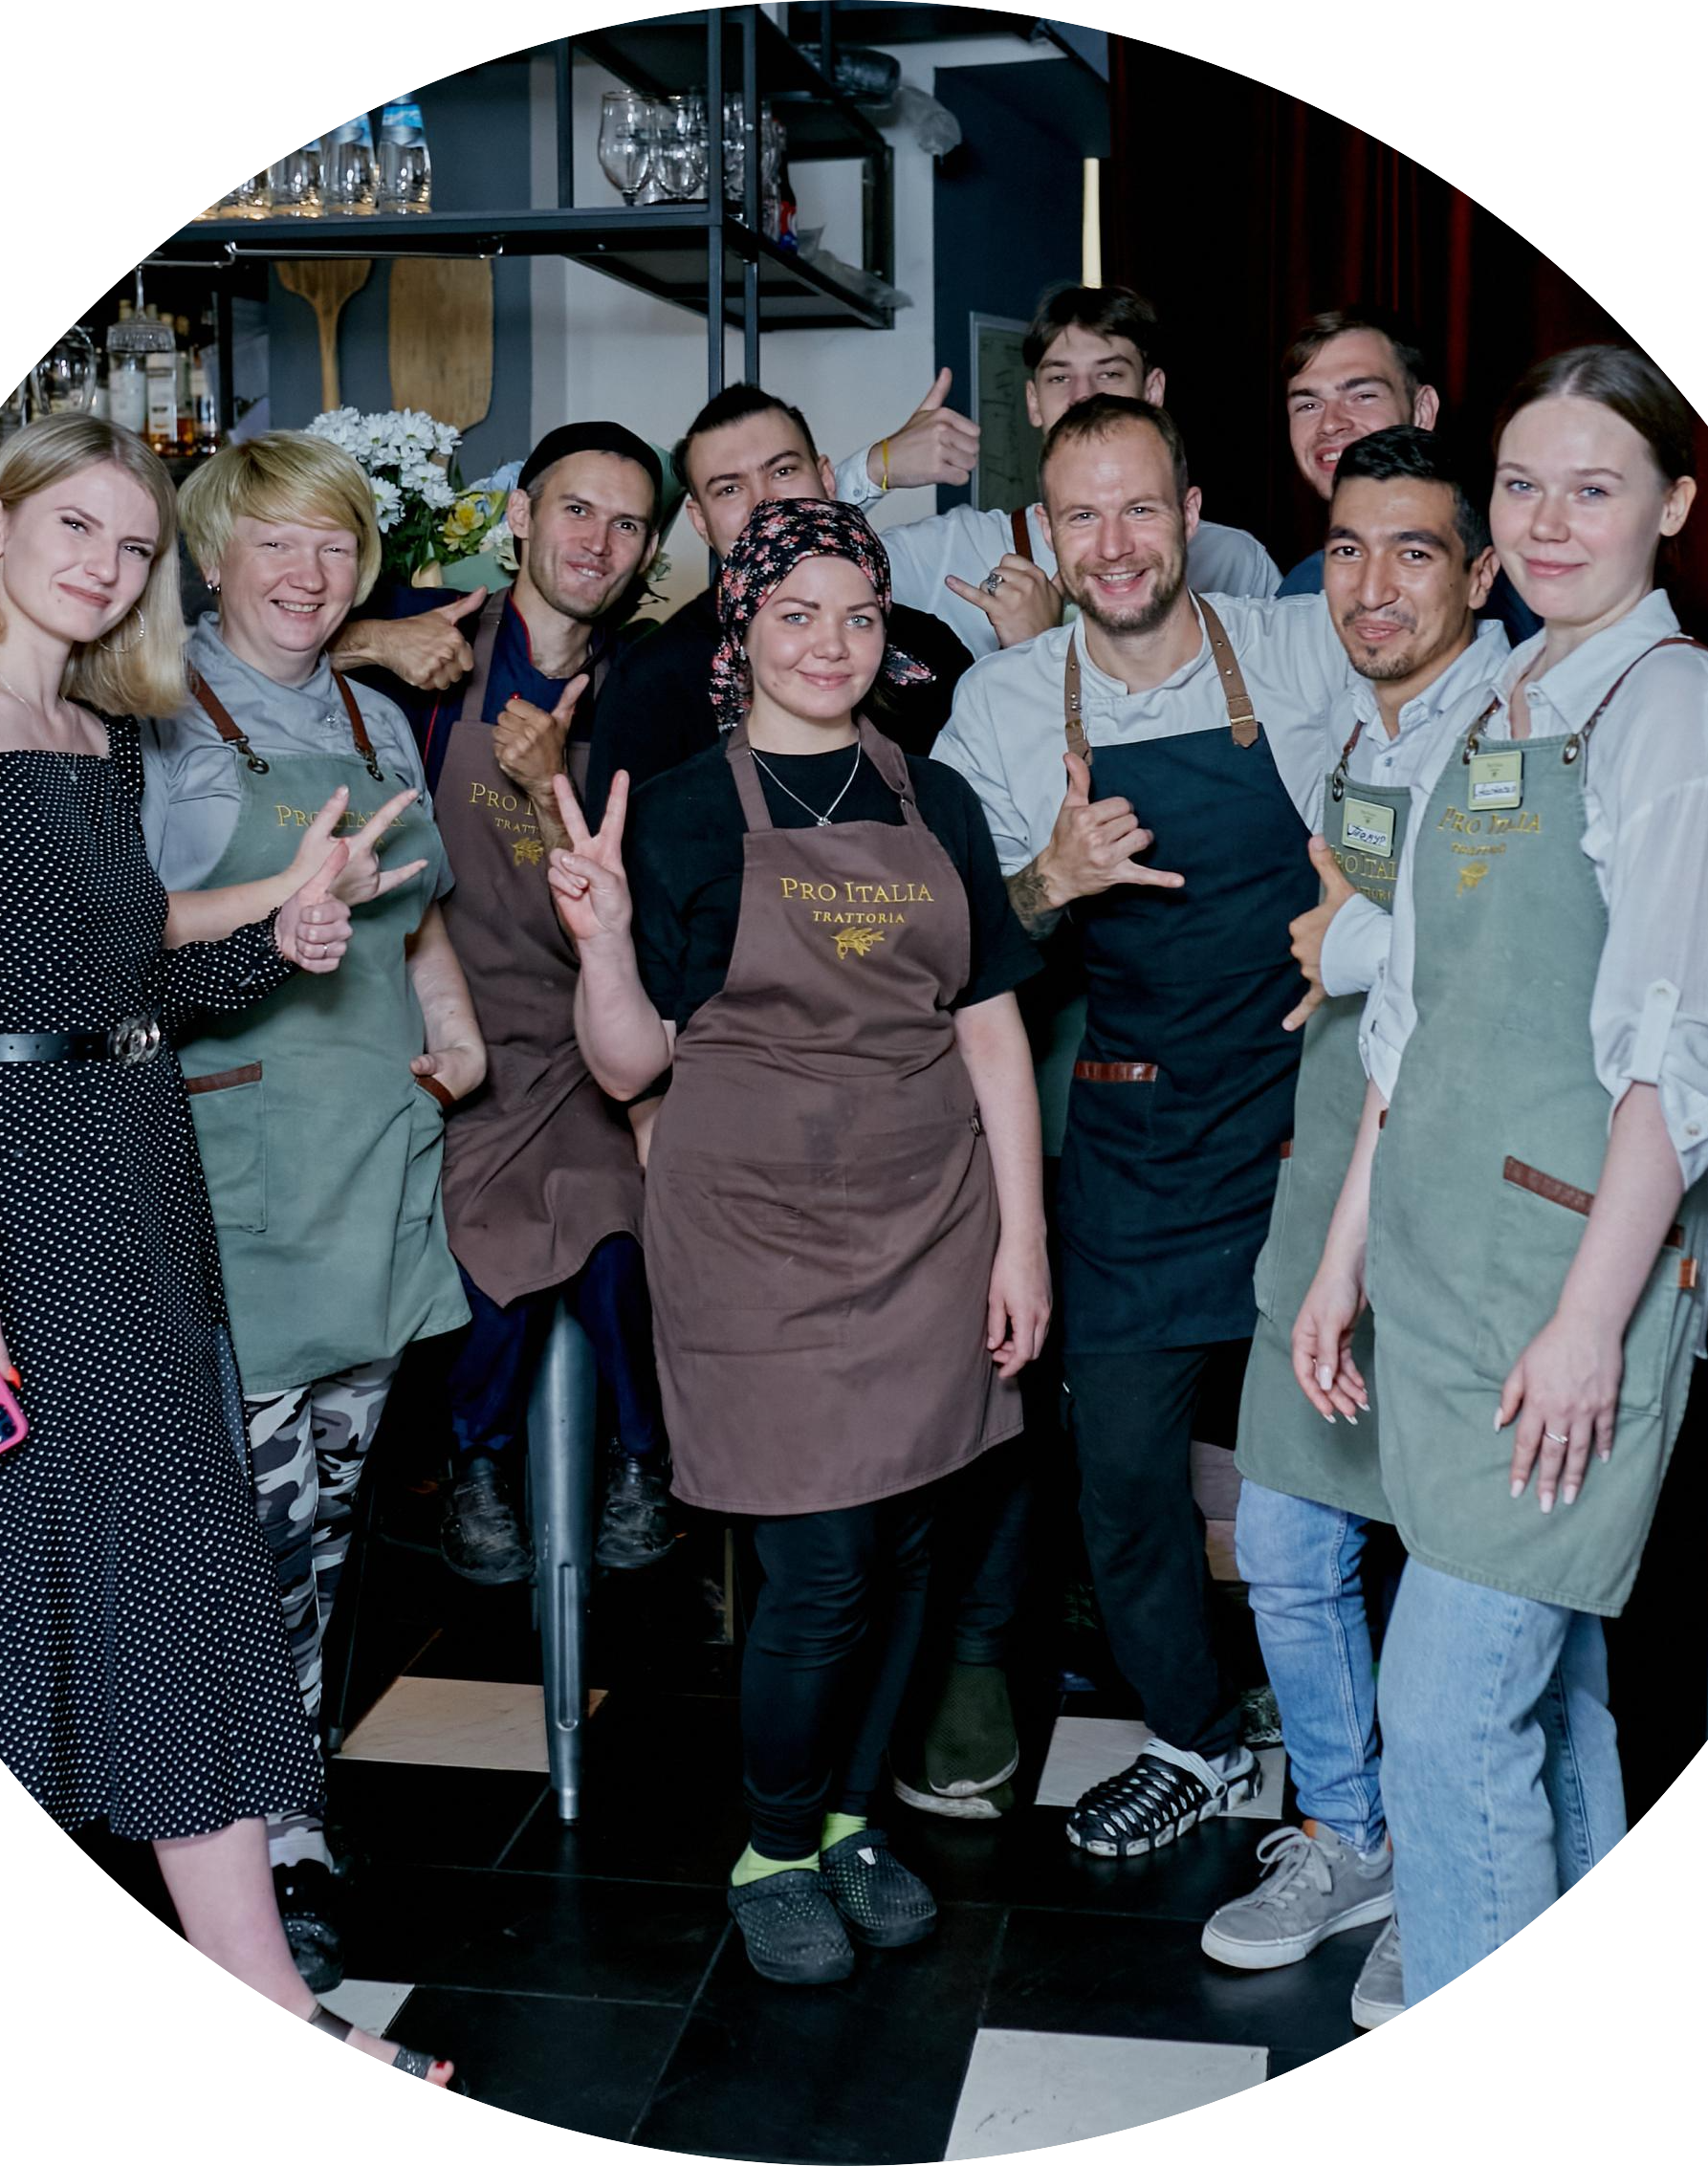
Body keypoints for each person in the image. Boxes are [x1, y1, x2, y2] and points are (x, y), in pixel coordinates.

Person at [0, 413, 463, 2086]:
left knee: (140, 1586)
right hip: (17, 1191)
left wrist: (281, 935)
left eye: (133, 546)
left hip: (136, 1171)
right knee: (71, 1592)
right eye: (77, 529)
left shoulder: (100, 733)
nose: (105, 568)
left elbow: (124, 989)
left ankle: (266, 1988)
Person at [1291, 345, 1708, 2008]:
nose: (1550, 522)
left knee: (1443, 1713)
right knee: (1550, 1697)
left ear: (1675, 505)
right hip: (1441, 1271)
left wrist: (1589, 1328)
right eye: (1522, 486)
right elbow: (1411, 1020)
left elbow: (1683, 1060)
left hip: (1564, 1287)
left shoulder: (1676, 716)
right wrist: (1344, 1257)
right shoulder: (1502, 699)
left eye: (1595, 487)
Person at [549, 497, 1048, 1985]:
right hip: (754, 1235)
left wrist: (1022, 1241)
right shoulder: (681, 810)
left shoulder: (935, 796)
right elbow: (629, 1064)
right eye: (796, 614)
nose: (831, 645)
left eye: (859, 616)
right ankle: (771, 1843)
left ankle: (845, 1820)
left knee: (910, 1545)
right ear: (743, 630)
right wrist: (601, 941)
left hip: (931, 1216)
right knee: (821, 1562)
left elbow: (991, 1030)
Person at [931, 394, 1352, 1859]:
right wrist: (1047, 879)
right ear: (1048, 535)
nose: (1112, 545)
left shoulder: (1303, 651)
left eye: (1138, 508)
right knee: (1117, 1469)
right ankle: (1195, 1735)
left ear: (1190, 516)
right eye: (1081, 516)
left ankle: (1349, 1768)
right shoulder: (1002, 703)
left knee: (1333, 1472)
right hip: (1131, 1136)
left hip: (1310, 1129)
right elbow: (956, 952)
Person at [140, 429, 487, 1988]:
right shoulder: (157, 716)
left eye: (335, 543)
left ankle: (275, 1809)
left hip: (376, 1166)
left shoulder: (376, 716)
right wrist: (283, 901)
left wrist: (457, 1031)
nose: (308, 572)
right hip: (239, 1173)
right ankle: (270, 1836)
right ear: (215, 557)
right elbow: (114, 929)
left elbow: (418, 920)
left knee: (330, 1528)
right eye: (276, 542)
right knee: (256, 1532)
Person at [1202, 426, 1508, 2027]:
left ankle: (1450, 1882)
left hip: (1457, 1221)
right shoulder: (1359, 726)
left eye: (1413, 551)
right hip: (1326, 1186)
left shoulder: (1519, 730)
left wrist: (1351, 947)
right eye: (1346, 549)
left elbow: (1496, 963)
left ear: (1482, 571)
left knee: (1464, 1572)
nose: (1371, 585)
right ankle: (1348, 1835)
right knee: (1282, 1540)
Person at [343, 422, 677, 1586]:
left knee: (618, 1233)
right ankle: (473, 1464)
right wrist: (370, 637)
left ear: (649, 552)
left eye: (628, 524)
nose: (598, 541)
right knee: (479, 1236)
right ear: (521, 516)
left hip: (591, 1029)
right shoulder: (429, 633)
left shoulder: (649, 688)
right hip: (446, 1023)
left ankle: (642, 1461)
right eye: (576, 509)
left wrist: (546, 792)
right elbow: (239, 651)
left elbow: (636, 896)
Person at [581, 382, 974, 824]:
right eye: (728, 489)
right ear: (700, 521)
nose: (764, 502)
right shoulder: (653, 679)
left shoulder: (929, 648)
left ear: (827, 479)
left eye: (783, 471)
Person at [832, 286, 1282, 659]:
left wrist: (1040, 642)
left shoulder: (1233, 562)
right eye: (1059, 378)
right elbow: (798, 573)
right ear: (1033, 401)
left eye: (1109, 374)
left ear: (1152, 390)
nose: (1082, 397)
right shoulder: (960, 549)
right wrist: (875, 468)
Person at [1277, 305, 1541, 643]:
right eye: (1308, 405)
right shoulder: (1301, 587)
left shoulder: (1523, 588)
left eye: (1363, 396)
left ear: (1422, 410)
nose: (1329, 424)